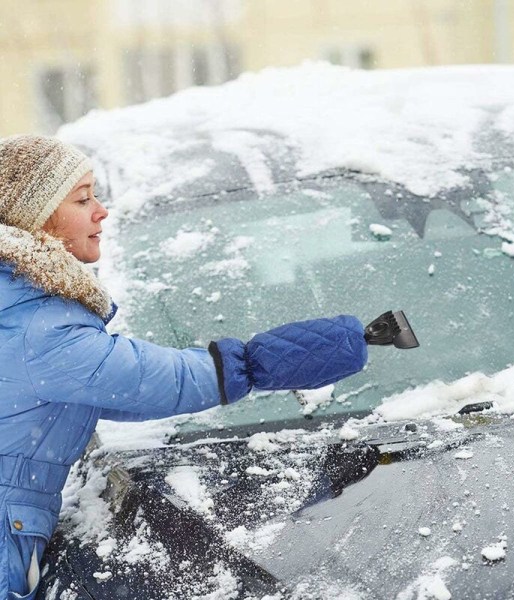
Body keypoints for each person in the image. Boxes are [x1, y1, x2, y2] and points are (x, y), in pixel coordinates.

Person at [0, 135, 368, 599]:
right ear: (38, 218)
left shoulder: (17, 304)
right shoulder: (34, 322)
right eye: (82, 198)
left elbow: (110, 392)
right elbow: (144, 379)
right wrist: (255, 364)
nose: (101, 211)